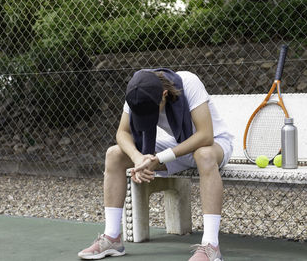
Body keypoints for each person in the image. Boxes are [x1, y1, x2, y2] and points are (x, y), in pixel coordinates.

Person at [78, 68, 233, 261]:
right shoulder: (136, 91)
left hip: (214, 145)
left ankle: (211, 246)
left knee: (204, 155)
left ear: (164, 95)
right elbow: (122, 133)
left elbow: (205, 135)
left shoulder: (188, 83)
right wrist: (138, 158)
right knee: (114, 154)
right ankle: (112, 238)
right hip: (178, 147)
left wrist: (159, 158)